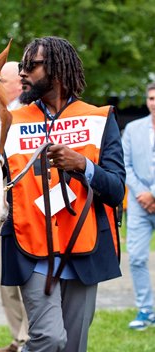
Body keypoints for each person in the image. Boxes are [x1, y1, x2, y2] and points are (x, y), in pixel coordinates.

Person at [1, 36, 125, 352]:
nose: (22, 74)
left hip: (85, 246)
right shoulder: (11, 122)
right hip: (31, 247)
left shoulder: (98, 118)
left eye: (31, 66)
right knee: (48, 339)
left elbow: (115, 190)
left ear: (55, 70)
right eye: (21, 66)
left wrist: (82, 164)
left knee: (73, 346)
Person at [0, 61, 29, 352]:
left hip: (28, 205)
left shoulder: (28, 115)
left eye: (2, 80)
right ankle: (19, 338)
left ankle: (32, 337)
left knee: (30, 275)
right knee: (5, 277)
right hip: (0, 203)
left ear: (20, 84)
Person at [122, 82, 155, 330]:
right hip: (138, 204)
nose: (154, 102)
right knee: (136, 257)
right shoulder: (133, 129)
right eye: (151, 98)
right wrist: (143, 193)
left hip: (148, 197)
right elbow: (124, 164)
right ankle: (145, 310)